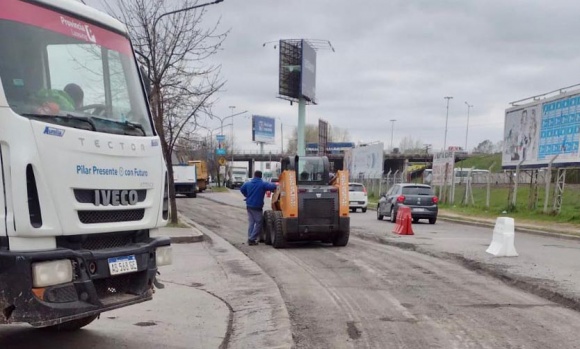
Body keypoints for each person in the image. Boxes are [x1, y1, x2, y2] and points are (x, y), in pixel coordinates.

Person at [240, 170, 277, 245]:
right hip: (257, 207)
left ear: (254, 175)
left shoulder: (248, 183)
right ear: (261, 176)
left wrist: (247, 195)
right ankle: (252, 239)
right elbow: (273, 186)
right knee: (259, 223)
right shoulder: (262, 184)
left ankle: (250, 238)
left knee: (251, 222)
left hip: (249, 206)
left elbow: (242, 189)